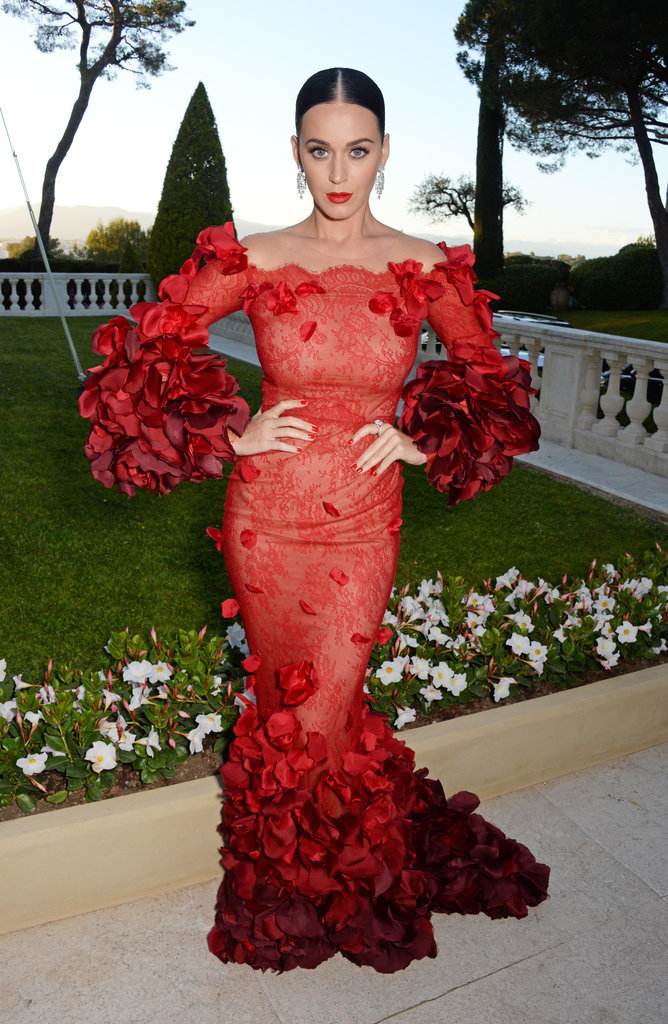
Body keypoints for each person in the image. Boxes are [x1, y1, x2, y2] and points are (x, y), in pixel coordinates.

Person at [79, 67, 548, 974]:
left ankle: (332, 884)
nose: (340, 171)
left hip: (364, 524)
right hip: (266, 520)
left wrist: (420, 436)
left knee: (327, 705)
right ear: (296, 152)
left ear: (384, 153)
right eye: (321, 149)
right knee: (284, 708)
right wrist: (230, 430)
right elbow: (146, 347)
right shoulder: (252, 258)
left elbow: (488, 366)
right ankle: (292, 885)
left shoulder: (423, 265)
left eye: (359, 150)